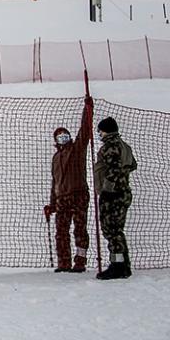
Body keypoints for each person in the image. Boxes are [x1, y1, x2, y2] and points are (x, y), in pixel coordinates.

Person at [44, 96, 94, 272]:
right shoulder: (55, 158)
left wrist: (88, 110)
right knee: (61, 232)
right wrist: (52, 204)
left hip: (79, 195)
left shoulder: (77, 149)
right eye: (59, 136)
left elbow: (85, 130)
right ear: (56, 140)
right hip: (61, 199)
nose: (62, 137)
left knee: (80, 229)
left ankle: (80, 261)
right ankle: (63, 262)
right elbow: (54, 183)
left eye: (64, 134)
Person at [94, 117, 137, 280]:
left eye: (100, 131)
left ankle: (117, 266)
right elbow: (132, 165)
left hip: (113, 194)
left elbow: (113, 170)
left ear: (106, 130)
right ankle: (123, 265)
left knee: (111, 230)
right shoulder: (124, 146)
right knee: (117, 230)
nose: (99, 134)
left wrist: (107, 189)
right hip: (123, 192)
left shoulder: (109, 147)